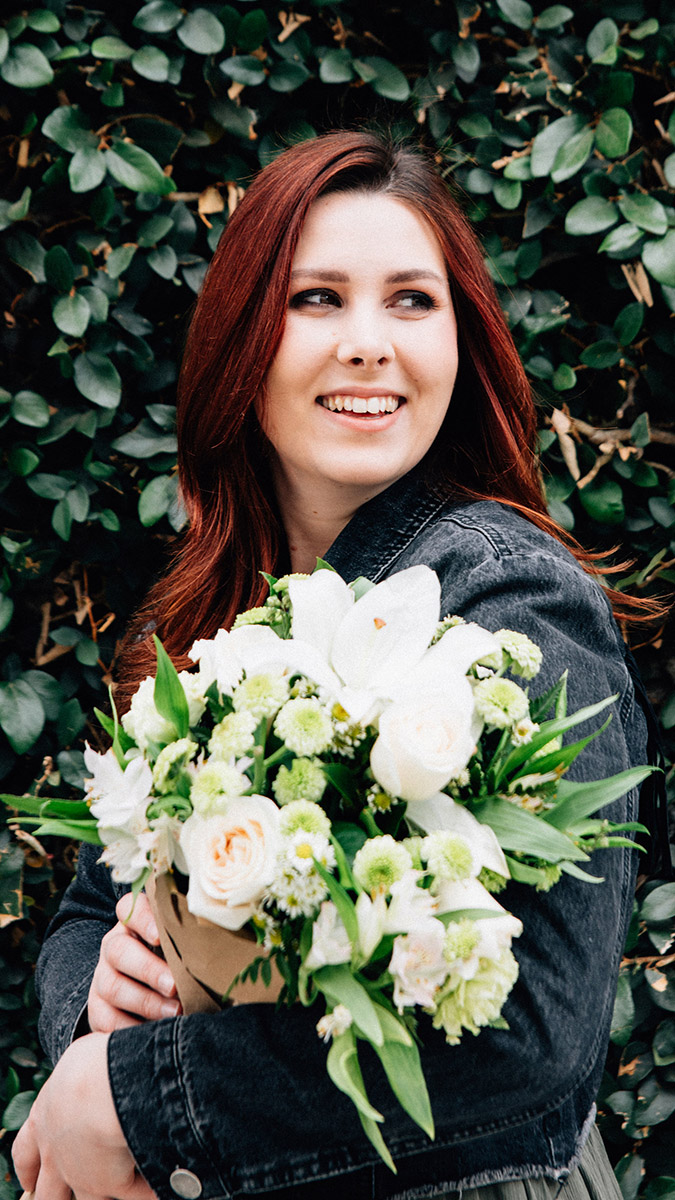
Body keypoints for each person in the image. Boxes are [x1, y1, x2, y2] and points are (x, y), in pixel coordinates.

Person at [13, 130, 659, 1200]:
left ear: (462, 342)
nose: (369, 342)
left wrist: (136, 1094)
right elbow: (88, 911)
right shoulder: (213, 617)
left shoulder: (515, 602)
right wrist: (101, 993)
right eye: (318, 298)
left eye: (413, 300)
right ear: (243, 340)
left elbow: (534, 1039)